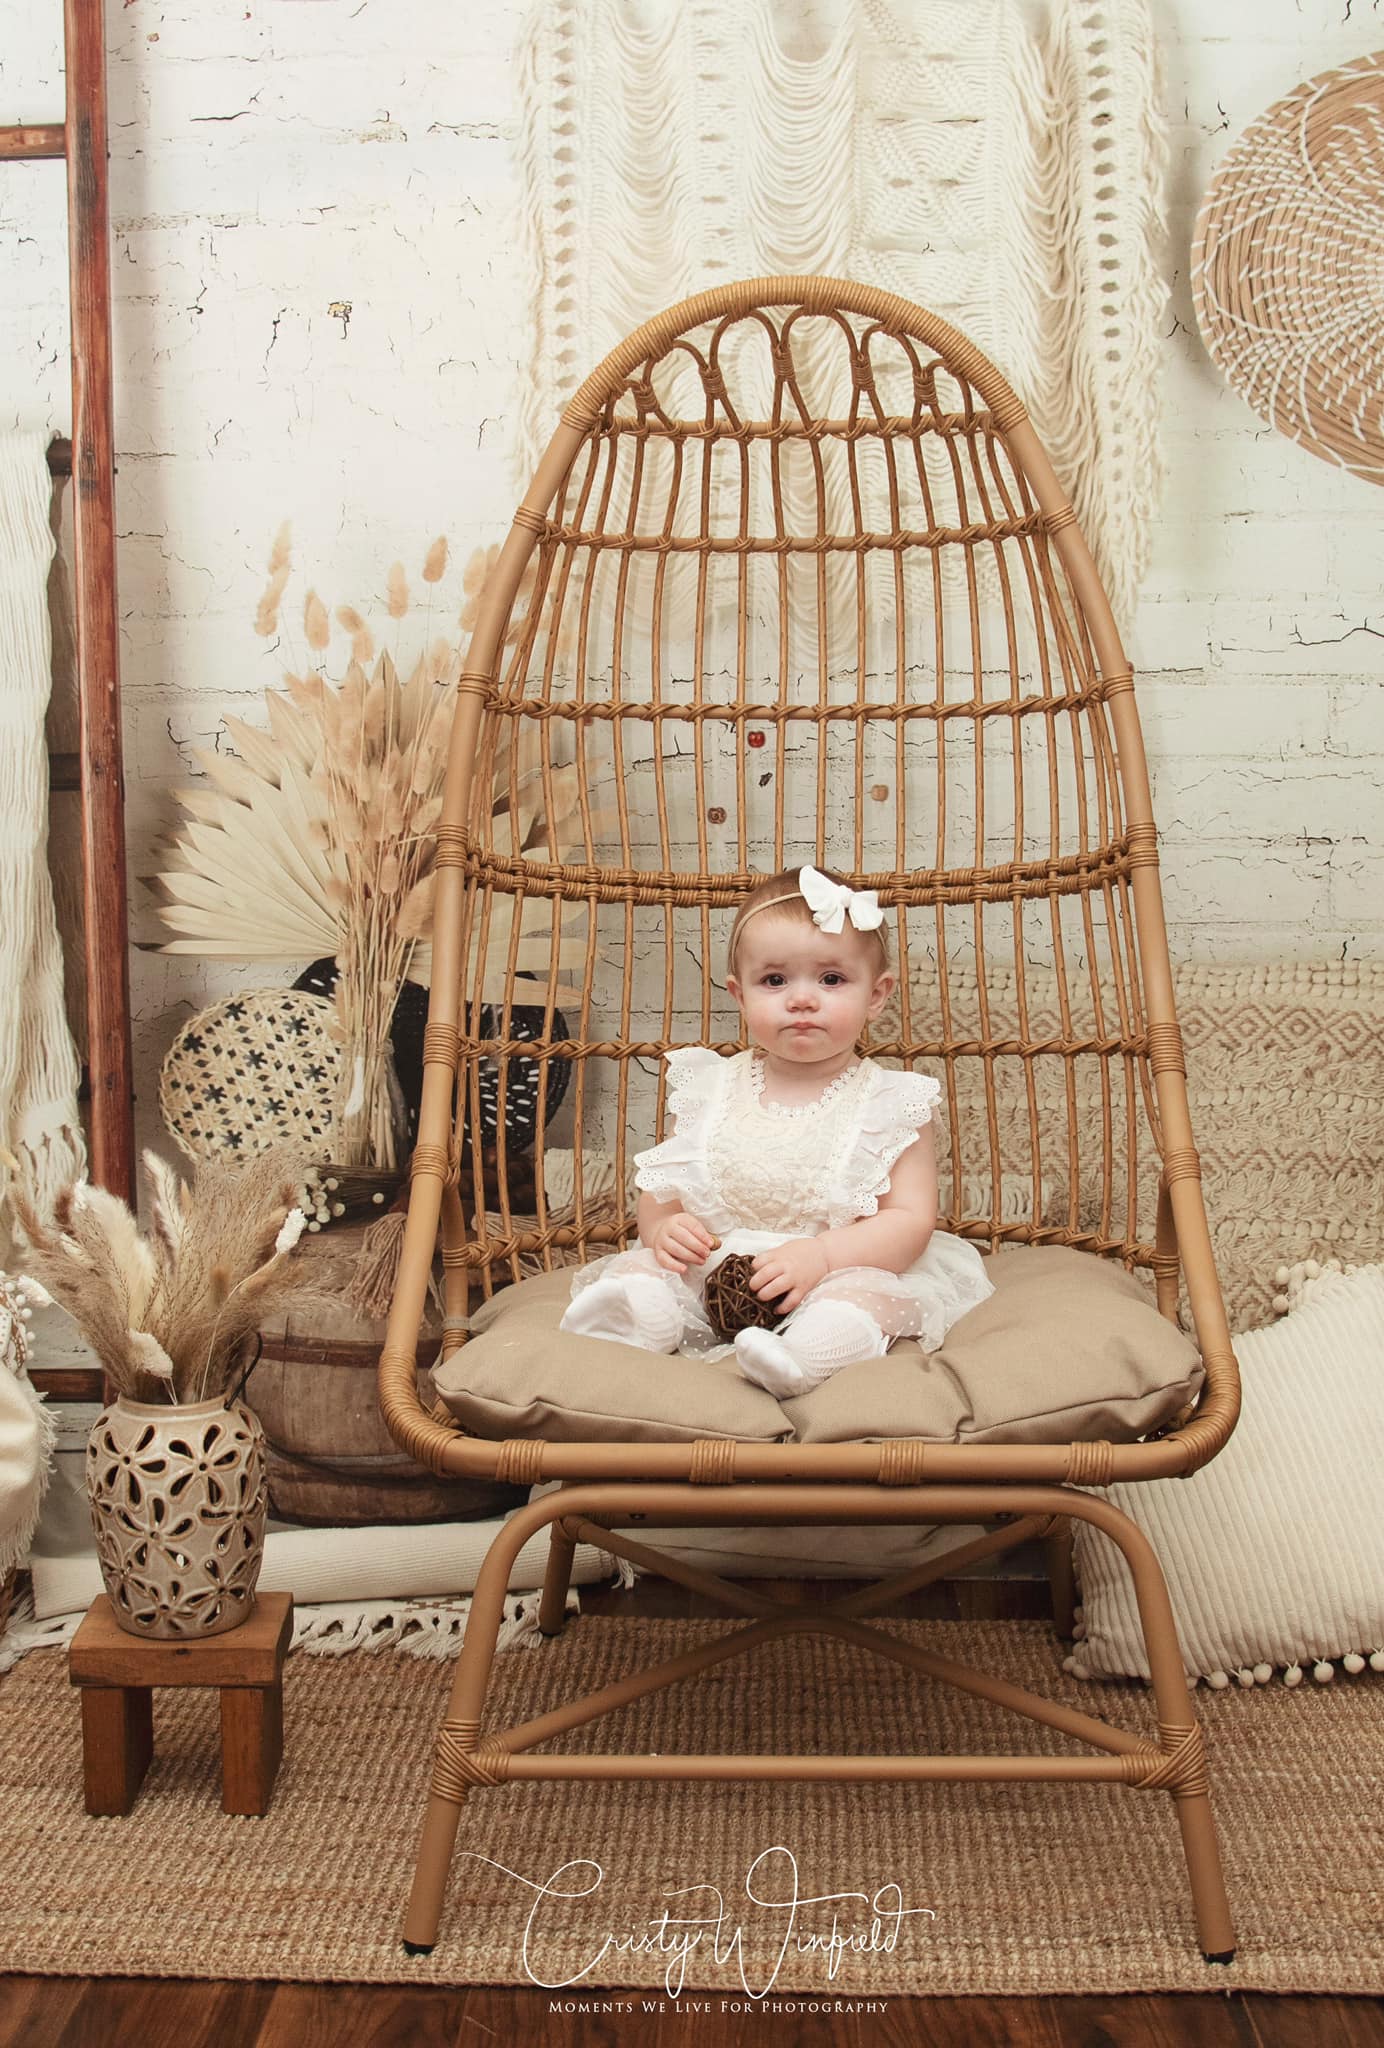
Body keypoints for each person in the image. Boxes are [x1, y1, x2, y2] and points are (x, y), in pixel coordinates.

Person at [557, 864, 995, 1397]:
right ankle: (638, 1323)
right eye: (775, 980)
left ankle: (804, 1357)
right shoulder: (707, 1088)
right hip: (717, 1269)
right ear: (740, 996)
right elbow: (664, 1189)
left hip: (842, 1266)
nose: (802, 999)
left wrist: (823, 1256)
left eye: (831, 979)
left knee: (865, 1302)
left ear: (876, 995)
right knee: (651, 1271)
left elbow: (910, 1220)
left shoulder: (891, 1103)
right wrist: (664, 1230)